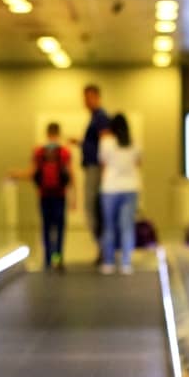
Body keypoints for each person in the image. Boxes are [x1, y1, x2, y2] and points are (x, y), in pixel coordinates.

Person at [98, 114, 141, 275]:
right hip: (130, 188)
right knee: (127, 227)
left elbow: (102, 164)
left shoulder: (106, 143)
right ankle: (126, 262)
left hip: (110, 188)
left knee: (109, 226)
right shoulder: (135, 144)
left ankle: (108, 262)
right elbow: (138, 164)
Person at [30, 123, 72, 271]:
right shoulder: (64, 152)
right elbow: (69, 174)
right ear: (58, 134)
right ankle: (58, 257)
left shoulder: (39, 151)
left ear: (47, 133)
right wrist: (74, 197)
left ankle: (47, 259)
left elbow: (34, 173)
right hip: (60, 195)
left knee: (46, 227)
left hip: (44, 195)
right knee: (59, 227)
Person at [77, 85, 111, 261]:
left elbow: (105, 144)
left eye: (88, 97)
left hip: (96, 169)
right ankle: (102, 247)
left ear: (96, 97)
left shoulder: (101, 118)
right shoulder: (94, 118)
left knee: (93, 208)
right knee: (93, 209)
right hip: (92, 166)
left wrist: (104, 171)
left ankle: (104, 247)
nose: (85, 102)